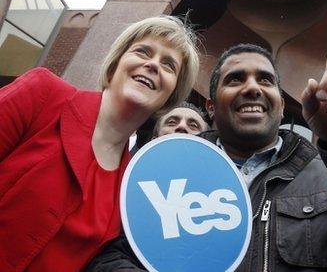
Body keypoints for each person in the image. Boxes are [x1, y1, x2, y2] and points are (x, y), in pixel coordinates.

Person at [87, 23, 327, 271]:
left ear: (281, 105)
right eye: (235, 79)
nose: (252, 88)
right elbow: (107, 255)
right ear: (211, 107)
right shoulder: (165, 174)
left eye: (265, 80)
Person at [0, 15, 200, 272]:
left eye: (169, 65)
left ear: (171, 95)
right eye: (143, 51)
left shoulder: (134, 188)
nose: (153, 65)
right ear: (115, 64)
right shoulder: (43, 93)